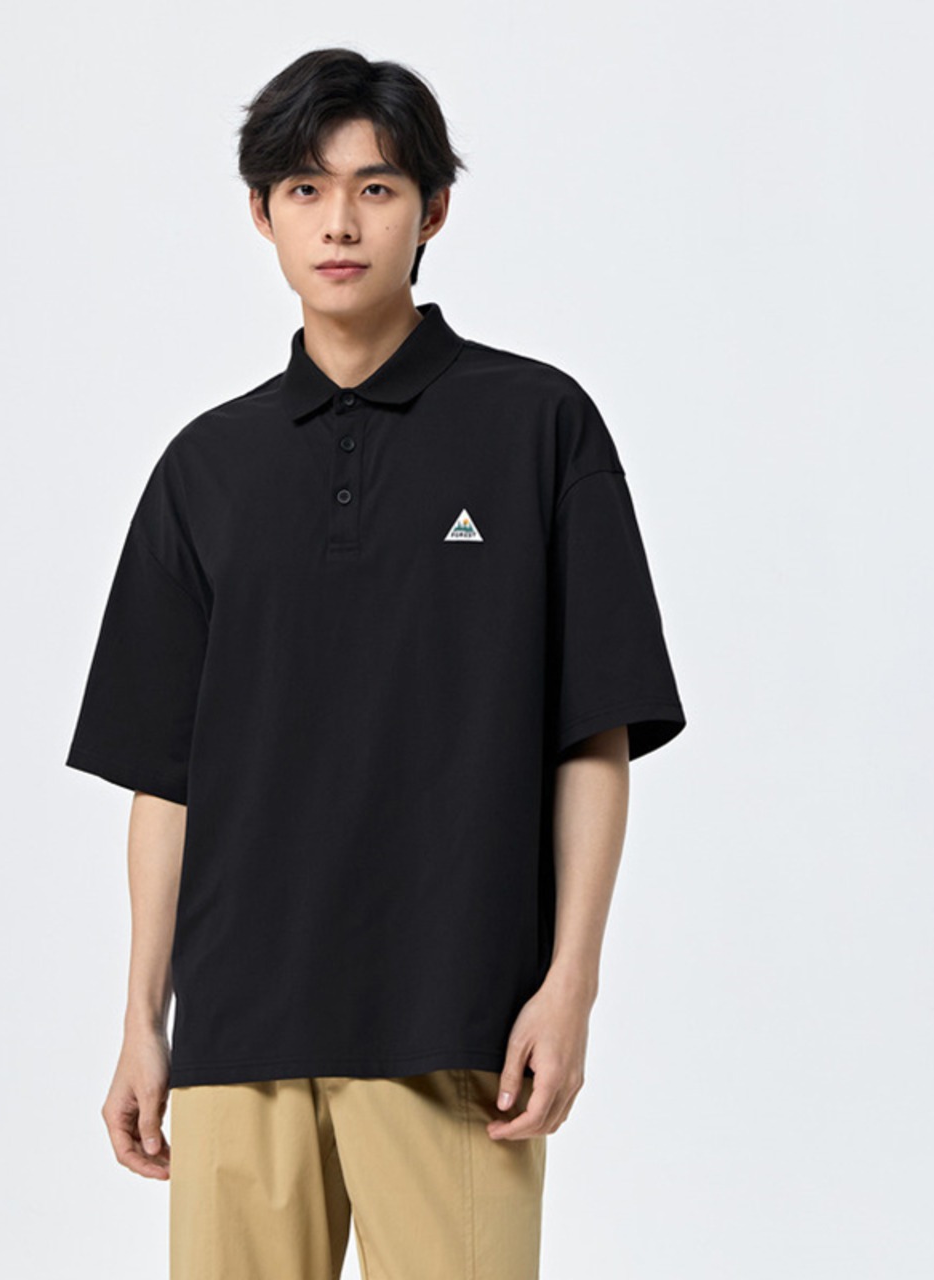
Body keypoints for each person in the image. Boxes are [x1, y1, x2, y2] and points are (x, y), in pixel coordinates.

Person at [65, 46, 687, 1280]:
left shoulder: (538, 426)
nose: (338, 222)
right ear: (260, 214)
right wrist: (142, 1019)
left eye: (375, 187)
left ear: (432, 209)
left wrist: (568, 984)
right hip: (239, 1030)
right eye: (303, 189)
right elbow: (165, 779)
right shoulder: (206, 468)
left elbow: (594, 735)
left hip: (452, 1024)